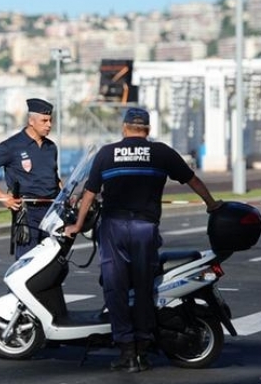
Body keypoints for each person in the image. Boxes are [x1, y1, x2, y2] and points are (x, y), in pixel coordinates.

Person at [64, 107, 221, 373]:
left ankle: (126, 353)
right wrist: (212, 204)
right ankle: (144, 352)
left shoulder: (107, 153)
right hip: (144, 229)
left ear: (124, 128)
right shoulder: (161, 153)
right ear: (147, 130)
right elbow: (192, 180)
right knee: (145, 289)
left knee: (116, 289)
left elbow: (89, 193)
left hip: (113, 228)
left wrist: (77, 224)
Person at [0, 98, 61, 260]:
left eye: (50, 120)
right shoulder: (11, 146)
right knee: (26, 264)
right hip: (28, 213)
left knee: (52, 263)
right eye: (44, 120)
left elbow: (55, 178)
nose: (49, 124)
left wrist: (66, 196)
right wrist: (1, 197)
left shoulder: (51, 147)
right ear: (31, 121)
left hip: (51, 212)